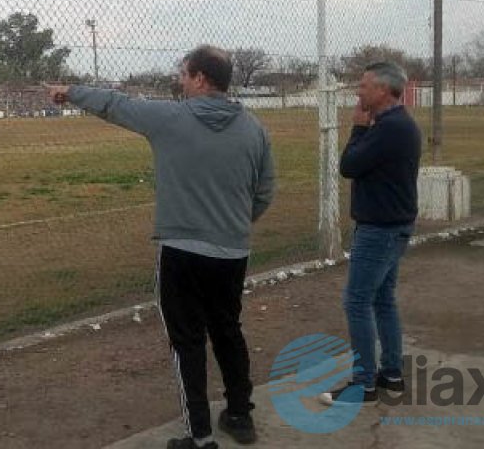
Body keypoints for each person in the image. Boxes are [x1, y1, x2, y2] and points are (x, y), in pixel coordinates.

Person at [45, 44, 274, 449]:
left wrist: (71, 91)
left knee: (187, 341)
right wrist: (231, 225)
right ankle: (240, 415)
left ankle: (199, 435)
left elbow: (116, 105)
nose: (179, 80)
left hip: (182, 252)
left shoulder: (170, 118)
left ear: (200, 78)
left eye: (184, 73)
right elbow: (264, 192)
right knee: (228, 330)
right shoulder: (254, 128)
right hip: (232, 253)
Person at [319, 61, 421, 407]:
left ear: (382, 90)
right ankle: (391, 375)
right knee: (383, 299)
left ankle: (363, 385)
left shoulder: (389, 128)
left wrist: (358, 129)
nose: (358, 92)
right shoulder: (399, 124)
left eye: (363, 86)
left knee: (357, 301)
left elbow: (349, 166)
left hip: (380, 229)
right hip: (393, 226)